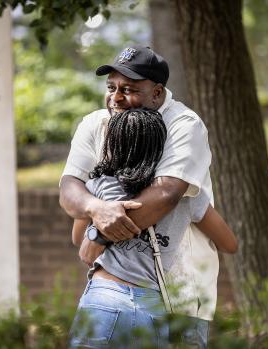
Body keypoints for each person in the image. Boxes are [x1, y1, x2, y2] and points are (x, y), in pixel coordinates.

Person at [60, 44, 220, 323]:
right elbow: (69, 187)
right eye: (111, 87)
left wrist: (99, 235)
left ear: (157, 93)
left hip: (178, 293)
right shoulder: (95, 123)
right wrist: (95, 207)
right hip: (112, 293)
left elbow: (166, 193)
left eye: (129, 90)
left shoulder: (184, 125)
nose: (116, 98)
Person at [68, 108, 237, 348]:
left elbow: (78, 239)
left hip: (104, 296)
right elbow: (229, 244)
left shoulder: (98, 186)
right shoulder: (184, 195)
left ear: (112, 144)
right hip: (153, 306)